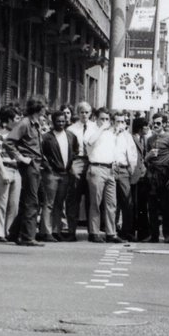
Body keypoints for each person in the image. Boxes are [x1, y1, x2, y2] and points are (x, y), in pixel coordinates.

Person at [3, 96, 46, 247]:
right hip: (29, 164)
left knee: (27, 199)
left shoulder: (35, 124)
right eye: (43, 108)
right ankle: (28, 236)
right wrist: (20, 157)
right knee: (32, 201)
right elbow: (8, 142)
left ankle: (14, 233)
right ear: (37, 109)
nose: (45, 111)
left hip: (36, 164)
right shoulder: (25, 123)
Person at [38, 109, 76, 242]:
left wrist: (70, 166)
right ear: (53, 122)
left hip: (65, 174)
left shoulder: (71, 136)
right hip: (51, 174)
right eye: (58, 121)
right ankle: (46, 232)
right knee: (49, 203)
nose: (61, 123)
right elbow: (40, 154)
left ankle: (56, 230)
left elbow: (75, 151)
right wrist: (47, 166)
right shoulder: (46, 137)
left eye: (63, 121)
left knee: (59, 203)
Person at [84, 107, 121, 243]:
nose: (105, 121)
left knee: (111, 203)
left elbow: (113, 150)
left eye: (107, 119)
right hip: (97, 167)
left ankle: (111, 233)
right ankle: (94, 232)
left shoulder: (111, 133)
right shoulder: (91, 130)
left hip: (109, 169)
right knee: (96, 202)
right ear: (96, 119)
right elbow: (89, 142)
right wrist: (100, 128)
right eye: (102, 119)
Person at [144, 113, 169, 243]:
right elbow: (145, 160)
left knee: (166, 206)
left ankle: (168, 234)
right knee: (152, 206)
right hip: (152, 173)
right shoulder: (150, 139)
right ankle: (154, 235)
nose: (156, 126)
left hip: (165, 172)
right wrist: (149, 155)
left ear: (164, 124)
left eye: (158, 123)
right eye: (154, 124)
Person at [0, 106, 21, 243]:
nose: (18, 120)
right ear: (9, 120)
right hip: (5, 168)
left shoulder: (19, 135)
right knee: (2, 202)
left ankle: (10, 231)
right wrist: (2, 171)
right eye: (16, 118)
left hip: (17, 169)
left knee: (14, 204)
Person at [65, 102, 93, 241]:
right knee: (73, 197)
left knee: (91, 197)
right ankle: (71, 231)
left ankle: (92, 232)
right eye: (82, 112)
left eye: (87, 112)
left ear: (91, 113)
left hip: (92, 161)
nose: (84, 115)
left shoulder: (95, 127)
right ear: (78, 113)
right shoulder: (71, 129)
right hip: (77, 160)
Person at [112, 112, 141, 241]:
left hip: (123, 170)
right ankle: (111, 230)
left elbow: (133, 155)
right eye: (117, 121)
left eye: (122, 122)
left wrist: (130, 170)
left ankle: (127, 230)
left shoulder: (127, 137)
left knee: (127, 202)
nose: (120, 124)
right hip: (111, 169)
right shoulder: (109, 135)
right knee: (112, 202)